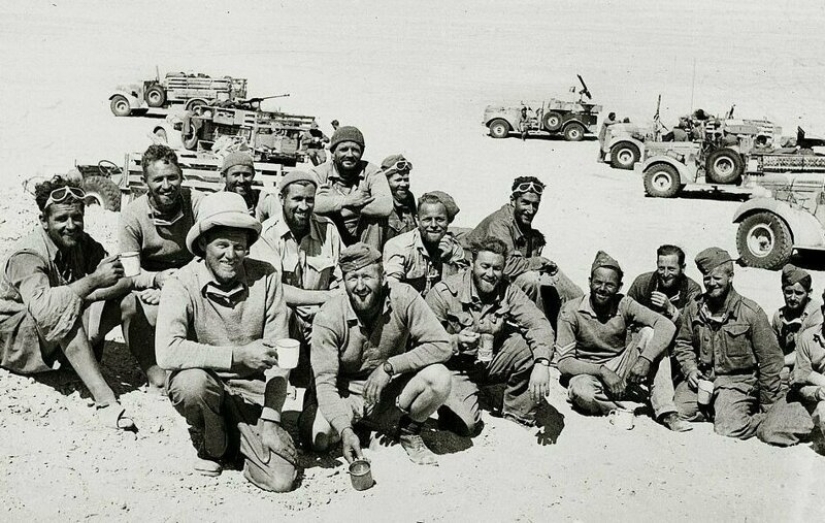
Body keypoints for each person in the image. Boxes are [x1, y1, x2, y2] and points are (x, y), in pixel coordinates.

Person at [156, 191, 296, 491]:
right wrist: (237, 356)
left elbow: (282, 356)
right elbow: (167, 352)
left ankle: (239, 439)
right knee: (190, 384)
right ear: (204, 244)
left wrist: (271, 419)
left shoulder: (268, 277)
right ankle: (213, 441)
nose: (230, 255)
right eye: (222, 244)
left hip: (253, 395)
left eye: (239, 246)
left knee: (281, 480)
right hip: (208, 386)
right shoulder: (181, 282)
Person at [0, 176, 136, 430]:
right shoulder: (28, 255)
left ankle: (155, 380)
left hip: (48, 332)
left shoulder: (80, 242)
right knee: (64, 310)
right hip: (15, 341)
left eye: (77, 217)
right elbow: (44, 307)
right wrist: (94, 281)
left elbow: (123, 277)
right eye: (61, 219)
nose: (71, 225)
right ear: (44, 221)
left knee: (128, 301)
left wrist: (91, 291)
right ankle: (106, 402)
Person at [301, 243, 453, 466]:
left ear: (383, 277)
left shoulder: (404, 297)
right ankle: (359, 430)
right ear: (344, 283)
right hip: (346, 395)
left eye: (367, 276)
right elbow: (324, 384)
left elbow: (442, 345)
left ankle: (409, 431)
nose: (360, 286)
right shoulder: (328, 316)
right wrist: (344, 429)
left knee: (439, 377)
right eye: (352, 278)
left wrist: (390, 366)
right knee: (316, 438)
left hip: (388, 391)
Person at [426, 238, 554, 434]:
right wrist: (456, 342)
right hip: (454, 369)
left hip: (490, 361)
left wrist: (542, 363)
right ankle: (450, 399)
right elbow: (422, 344)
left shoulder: (507, 290)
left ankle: (516, 415)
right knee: (467, 424)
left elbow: (538, 323)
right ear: (471, 264)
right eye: (485, 266)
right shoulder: (444, 293)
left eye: (497, 268)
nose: (490, 274)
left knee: (528, 346)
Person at [555, 251, 690, 432]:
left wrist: (645, 359)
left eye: (610, 285)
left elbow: (666, 326)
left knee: (650, 334)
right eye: (598, 283)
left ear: (619, 287)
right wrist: (602, 372)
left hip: (620, 366)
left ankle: (666, 411)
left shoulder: (624, 304)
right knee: (582, 392)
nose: (602, 289)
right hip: (588, 371)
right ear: (589, 282)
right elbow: (564, 363)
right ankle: (621, 409)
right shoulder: (571, 311)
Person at [672, 247, 784, 439]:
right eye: (707, 278)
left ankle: (742, 413)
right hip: (704, 381)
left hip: (738, 383)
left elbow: (770, 361)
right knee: (675, 412)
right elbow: (683, 344)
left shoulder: (751, 312)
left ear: (730, 277)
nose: (711, 283)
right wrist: (690, 369)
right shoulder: (694, 308)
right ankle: (721, 410)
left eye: (717, 278)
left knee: (728, 429)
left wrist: (769, 408)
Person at [119, 144, 203, 389]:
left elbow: (213, 253)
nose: (167, 186)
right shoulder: (131, 215)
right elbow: (129, 271)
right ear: (146, 182)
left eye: (172, 177)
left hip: (191, 279)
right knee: (129, 305)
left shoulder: (196, 203)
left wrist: (176, 285)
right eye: (158, 180)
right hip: (150, 284)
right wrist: (157, 280)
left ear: (181, 176)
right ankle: (150, 366)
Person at [251, 171, 344, 384]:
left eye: (309, 200)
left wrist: (328, 306)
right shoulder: (266, 234)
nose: (304, 206)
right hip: (283, 317)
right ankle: (276, 388)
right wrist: (325, 297)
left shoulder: (327, 230)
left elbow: (342, 279)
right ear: (282, 199)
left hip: (322, 313)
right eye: (297, 199)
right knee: (284, 312)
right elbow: (273, 289)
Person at [462, 176, 583, 326]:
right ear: (513, 201)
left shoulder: (519, 221)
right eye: (525, 203)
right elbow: (504, 266)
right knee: (531, 279)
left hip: (498, 274)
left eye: (535, 205)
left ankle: (583, 311)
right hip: (478, 278)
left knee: (554, 275)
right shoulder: (500, 224)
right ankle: (540, 327)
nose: (530, 210)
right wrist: (537, 262)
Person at [758, 290, 825, 448]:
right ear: (823, 311)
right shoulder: (807, 337)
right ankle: (813, 430)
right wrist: (817, 392)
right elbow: (799, 380)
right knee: (767, 432)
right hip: (812, 400)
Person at [311, 126, 392, 249]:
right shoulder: (319, 173)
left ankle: (369, 262)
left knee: (377, 219)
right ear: (333, 153)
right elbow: (311, 203)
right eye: (344, 149)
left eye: (355, 150)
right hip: (330, 232)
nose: (350, 154)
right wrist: (347, 200)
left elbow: (385, 206)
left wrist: (334, 201)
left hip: (363, 234)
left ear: (361, 153)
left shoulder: (372, 171)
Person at [383, 191, 467, 297]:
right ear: (418, 220)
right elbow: (392, 290)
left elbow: (455, 294)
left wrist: (448, 261)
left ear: (448, 221)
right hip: (407, 307)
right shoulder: (399, 246)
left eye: (439, 219)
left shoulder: (453, 247)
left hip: (438, 307)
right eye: (427, 219)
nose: (433, 225)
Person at [771, 264, 823, 386]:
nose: (793, 298)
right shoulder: (779, 316)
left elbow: (807, 353)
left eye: (799, 293)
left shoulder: (817, 313)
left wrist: (776, 362)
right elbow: (772, 347)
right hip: (788, 364)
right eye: (788, 292)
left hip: (812, 367)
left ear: (809, 293)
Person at [627, 245, 702, 328]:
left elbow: (691, 328)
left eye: (671, 269)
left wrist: (670, 309)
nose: (665, 274)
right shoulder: (642, 283)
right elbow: (625, 313)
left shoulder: (692, 289)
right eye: (661, 268)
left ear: (683, 268)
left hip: (677, 338)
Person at [219, 151, 279, 222]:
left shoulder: (263, 200)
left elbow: (281, 225)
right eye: (236, 174)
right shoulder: (216, 202)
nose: (241, 180)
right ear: (224, 176)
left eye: (246, 175)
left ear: (253, 175)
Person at [381, 154, 417, 243]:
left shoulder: (409, 199)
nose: (404, 184)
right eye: (398, 180)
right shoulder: (379, 205)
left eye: (406, 179)